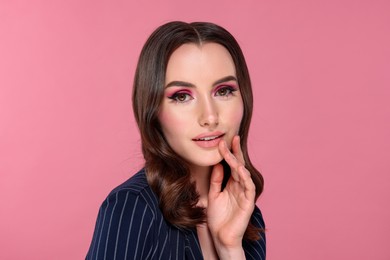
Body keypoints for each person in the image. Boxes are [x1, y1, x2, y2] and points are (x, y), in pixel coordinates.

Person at [86, 21, 266, 260]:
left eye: (223, 91)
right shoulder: (133, 207)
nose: (210, 117)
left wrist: (230, 248)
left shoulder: (246, 215)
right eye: (182, 96)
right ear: (153, 110)